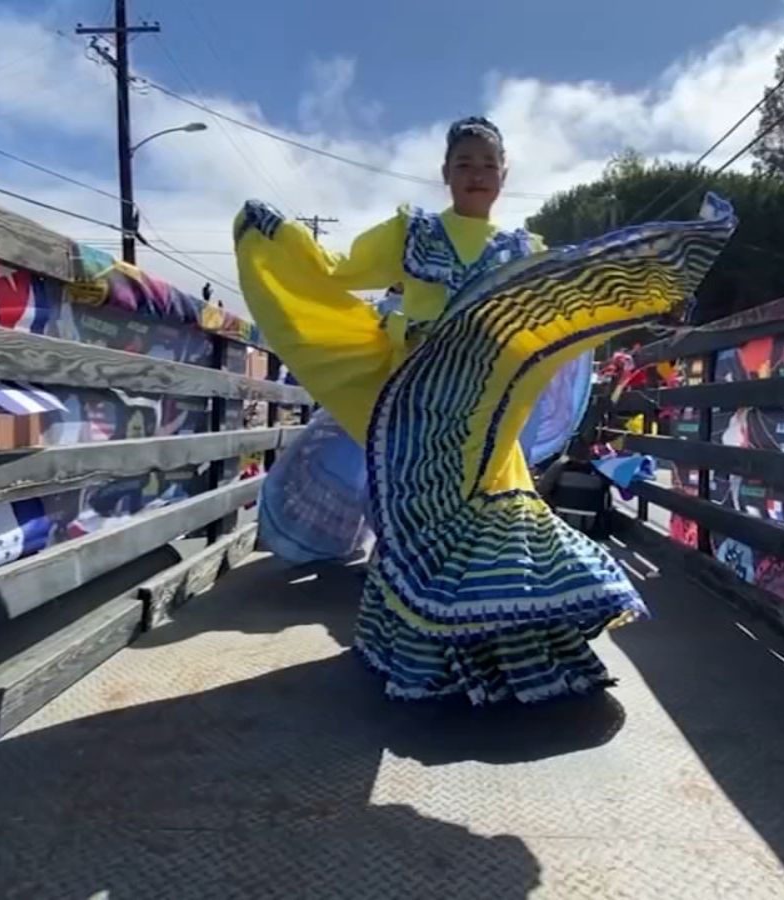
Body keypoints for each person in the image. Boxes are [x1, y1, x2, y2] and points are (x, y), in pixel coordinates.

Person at [234, 116, 737, 705]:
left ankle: (516, 655)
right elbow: (335, 271)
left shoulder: (523, 253)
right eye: (465, 164)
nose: (476, 175)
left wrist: (652, 299)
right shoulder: (410, 232)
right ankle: (426, 662)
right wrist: (280, 238)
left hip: (489, 415)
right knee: (422, 524)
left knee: (492, 516)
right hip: (417, 407)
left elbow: (571, 310)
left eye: (487, 165)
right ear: (446, 173)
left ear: (503, 176)